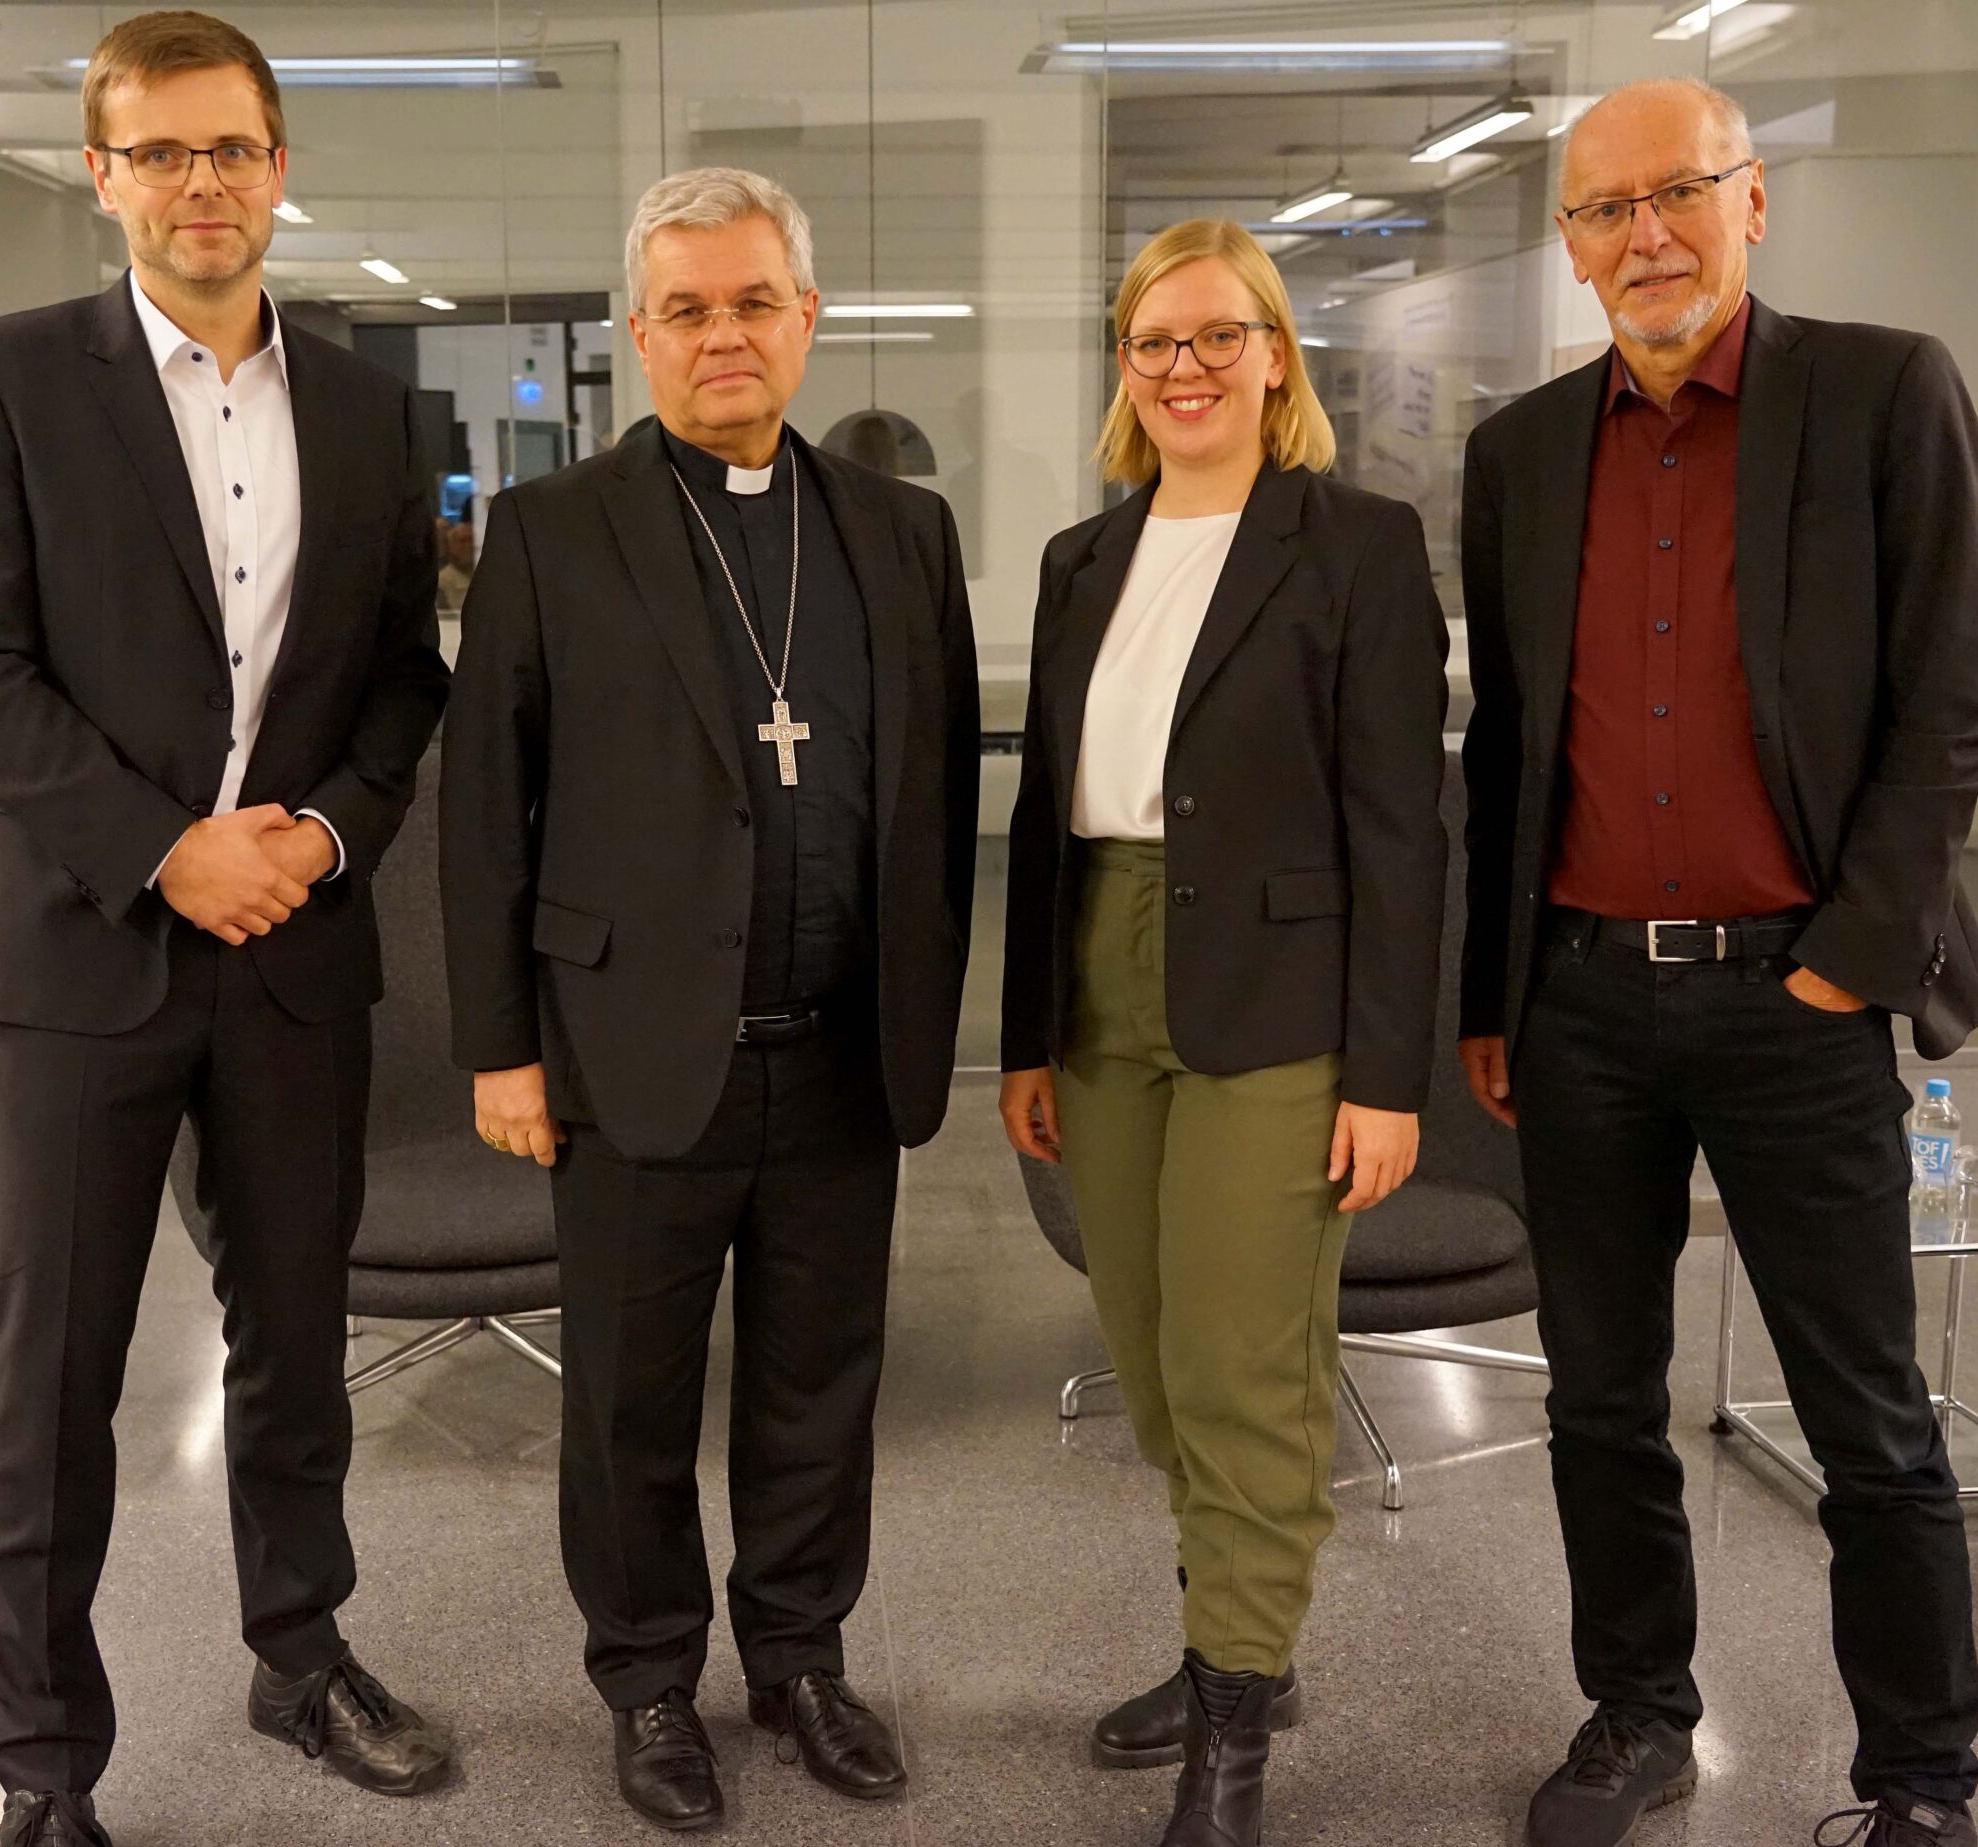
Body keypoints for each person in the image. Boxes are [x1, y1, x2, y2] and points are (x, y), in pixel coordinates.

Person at [0, 14, 452, 1845]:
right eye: (161, 153)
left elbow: (398, 683)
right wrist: (166, 852)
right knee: (50, 1374)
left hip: (294, 950)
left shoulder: (379, 411)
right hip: (77, 958)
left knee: (298, 1338)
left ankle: (301, 1655)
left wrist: (314, 834)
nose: (200, 185)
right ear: (101, 172)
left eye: (231, 149)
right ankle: (44, 1761)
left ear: (281, 165)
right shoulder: (8, 378)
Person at [1456, 77, 1978, 1847]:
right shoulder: (1522, 452)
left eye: (1679, 193)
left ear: (1753, 201)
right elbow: (1511, 748)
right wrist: (1492, 992)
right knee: (1600, 1397)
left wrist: (1851, 968)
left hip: (1799, 992)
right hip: (1588, 1000)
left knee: (1868, 1412)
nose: (1648, 236)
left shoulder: (1879, 392)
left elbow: (1953, 707)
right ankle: (1635, 1712)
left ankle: (1920, 1780)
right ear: (1570, 245)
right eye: (1607, 211)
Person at [438, 166, 978, 1833]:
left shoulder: (898, 529)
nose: (723, 334)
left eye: (754, 302)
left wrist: (926, 1014)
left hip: (835, 1052)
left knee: (824, 1378)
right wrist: (499, 1045)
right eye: (687, 308)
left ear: (806, 319)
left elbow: (946, 790)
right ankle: (651, 1677)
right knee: (627, 1398)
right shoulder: (552, 530)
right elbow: (485, 813)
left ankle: (802, 1653)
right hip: (627, 1052)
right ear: (639, 333)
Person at [999, 218, 1448, 1847]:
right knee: (1150, 1356)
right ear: (1123, 370)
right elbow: (1051, 811)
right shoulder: (1082, 561)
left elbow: (1405, 828)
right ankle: (1225, 1646)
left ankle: (1236, 1729)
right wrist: (1028, 1039)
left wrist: (1389, 1078)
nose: (1182, 366)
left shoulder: (1356, 546)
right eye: (1150, 340)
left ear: (1275, 352)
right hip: (1105, 981)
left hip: (1276, 1002)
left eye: (1214, 334)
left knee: (1244, 1364)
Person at [438, 508, 478, 612]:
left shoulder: (489, 575)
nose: (469, 545)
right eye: (462, 541)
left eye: (471, 539)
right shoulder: (442, 582)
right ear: (450, 546)